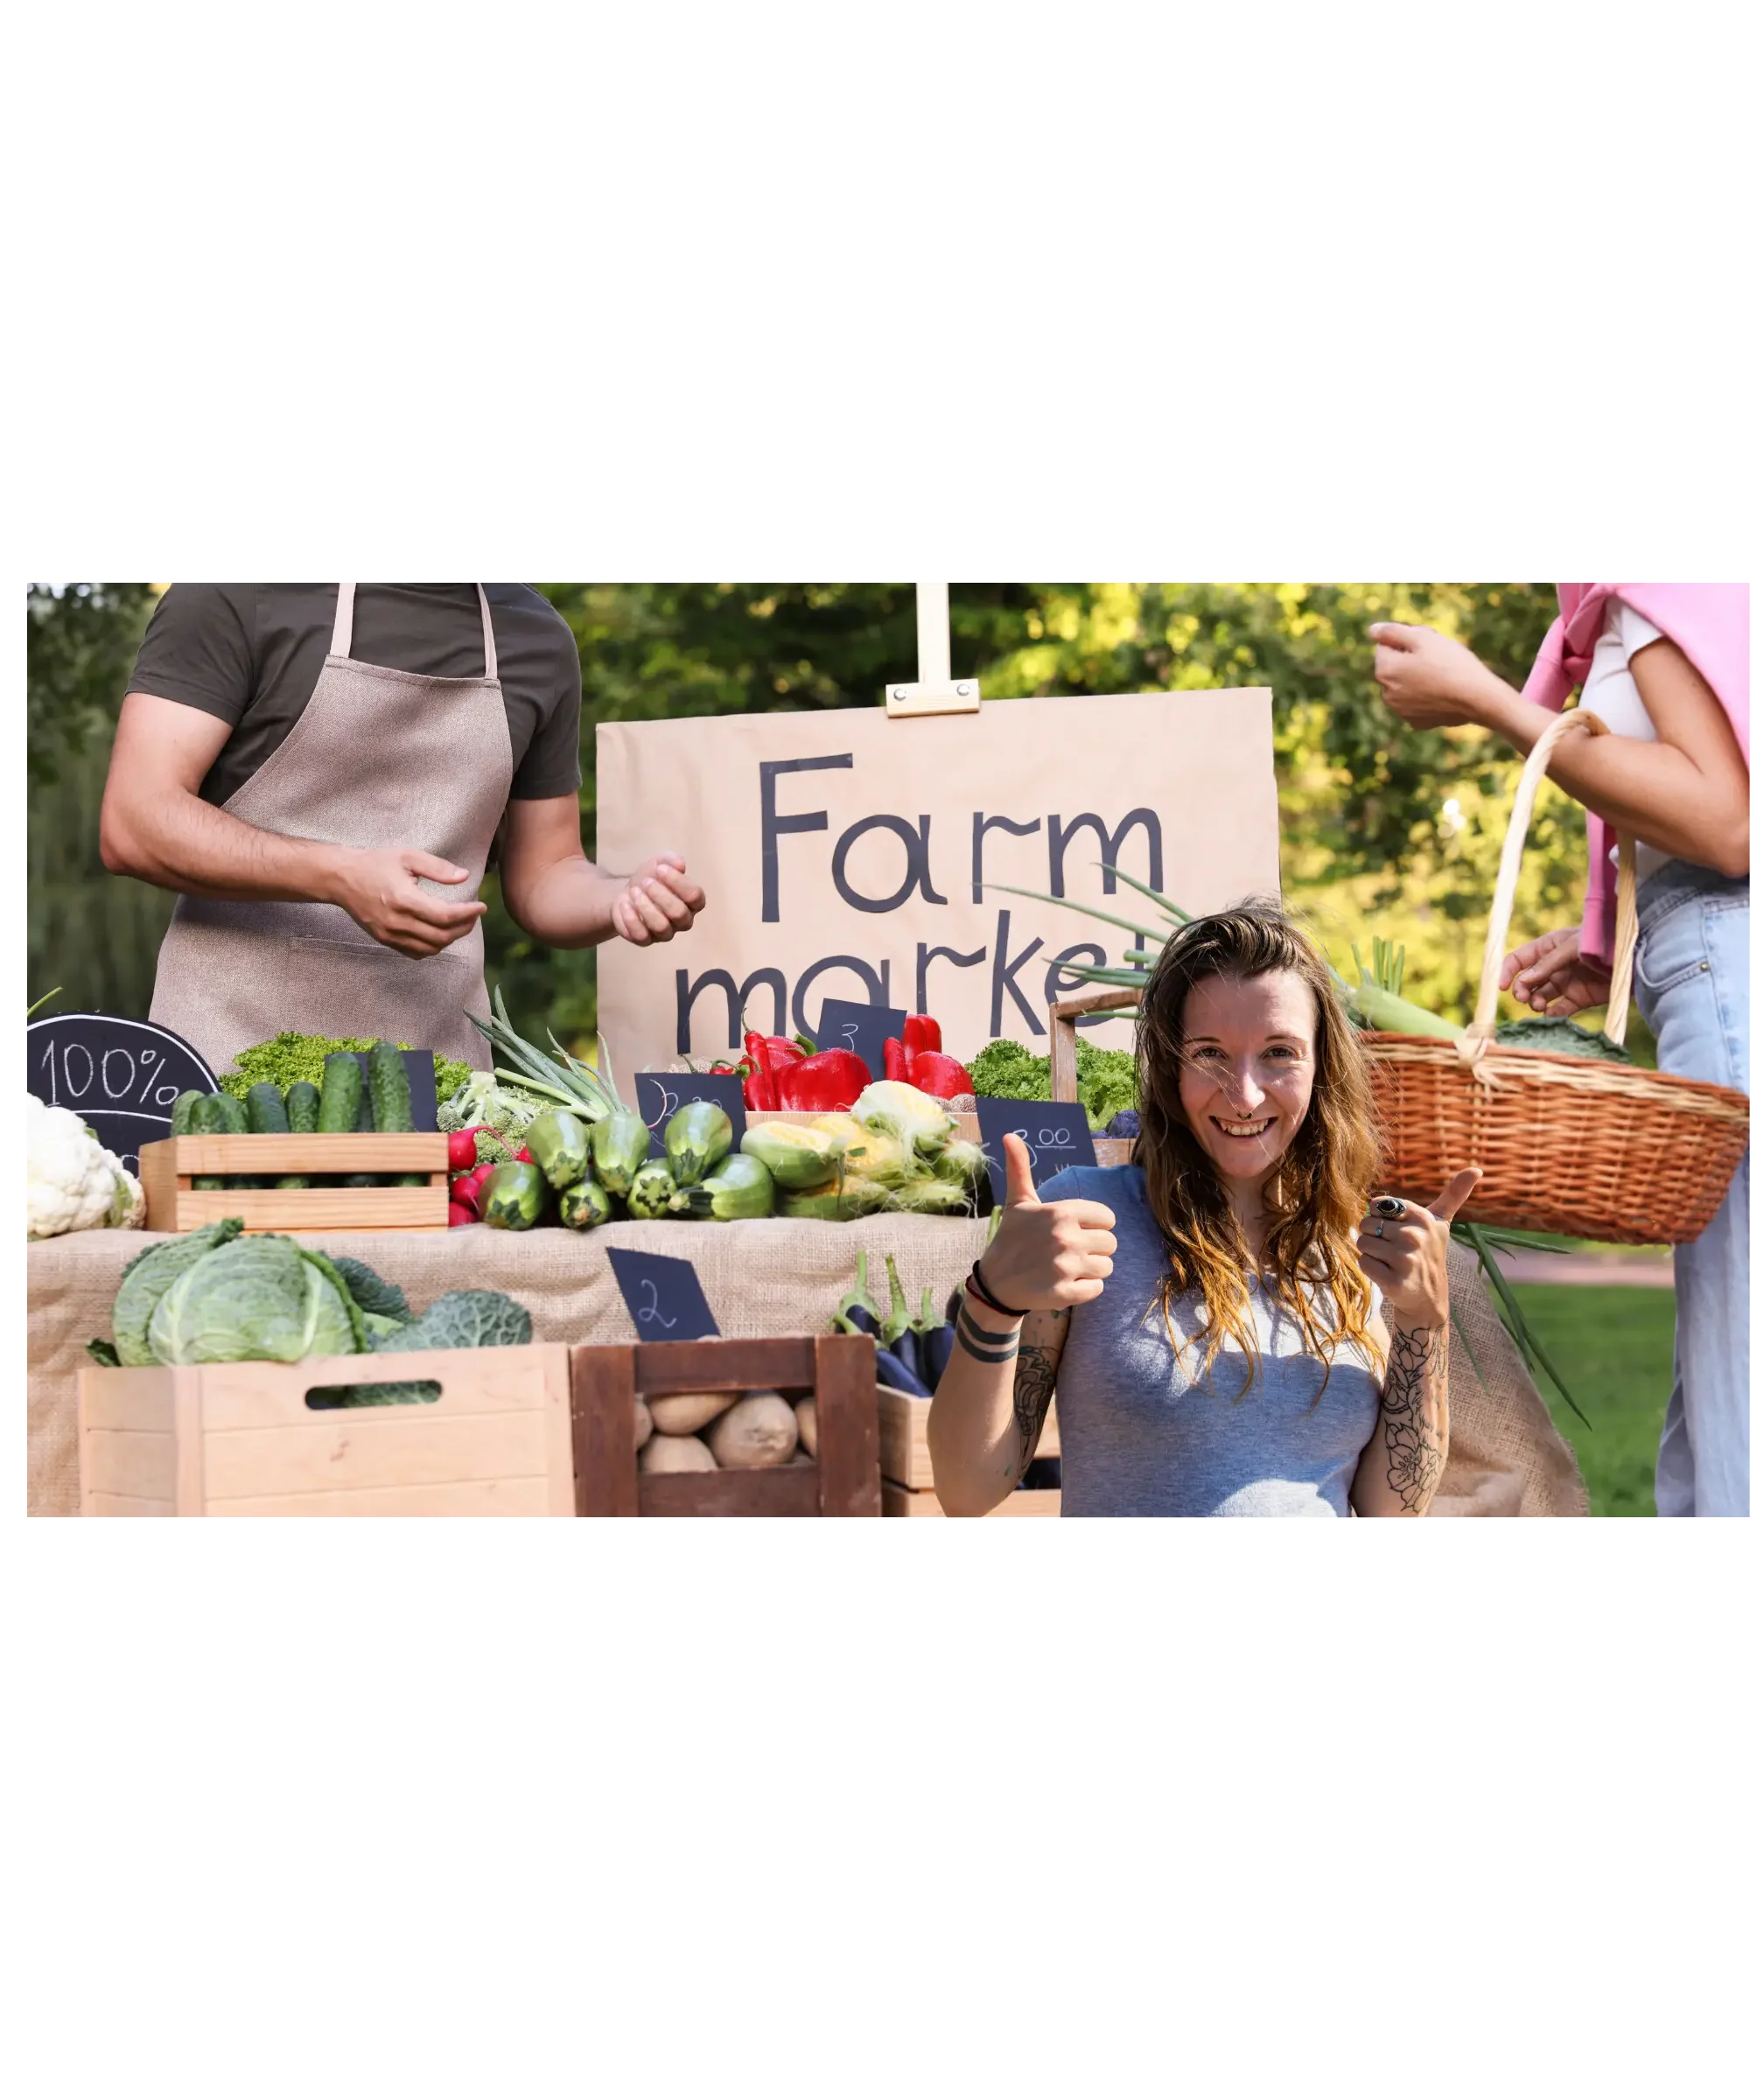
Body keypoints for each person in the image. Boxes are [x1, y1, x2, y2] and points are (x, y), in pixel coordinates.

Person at [1369, 584, 1749, 1521]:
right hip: (1707, 956)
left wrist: (1489, 701)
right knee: (1713, 1395)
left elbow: (1723, 824)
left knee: (1736, 1384)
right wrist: (1629, 934)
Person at [926, 902, 1481, 1519]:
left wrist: (1426, 1321)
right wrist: (992, 1301)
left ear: (1322, 1064)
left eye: (1279, 1052)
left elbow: (1394, 1507)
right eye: (1211, 1053)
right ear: (1171, 1065)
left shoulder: (1354, 1247)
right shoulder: (1088, 1221)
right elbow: (965, 1490)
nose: (1244, 1096)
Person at [99, 582, 706, 1076]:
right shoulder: (234, 597)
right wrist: (339, 876)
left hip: (438, 1085)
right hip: (227, 1061)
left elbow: (547, 872)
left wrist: (619, 897)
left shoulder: (535, 637)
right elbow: (135, 821)